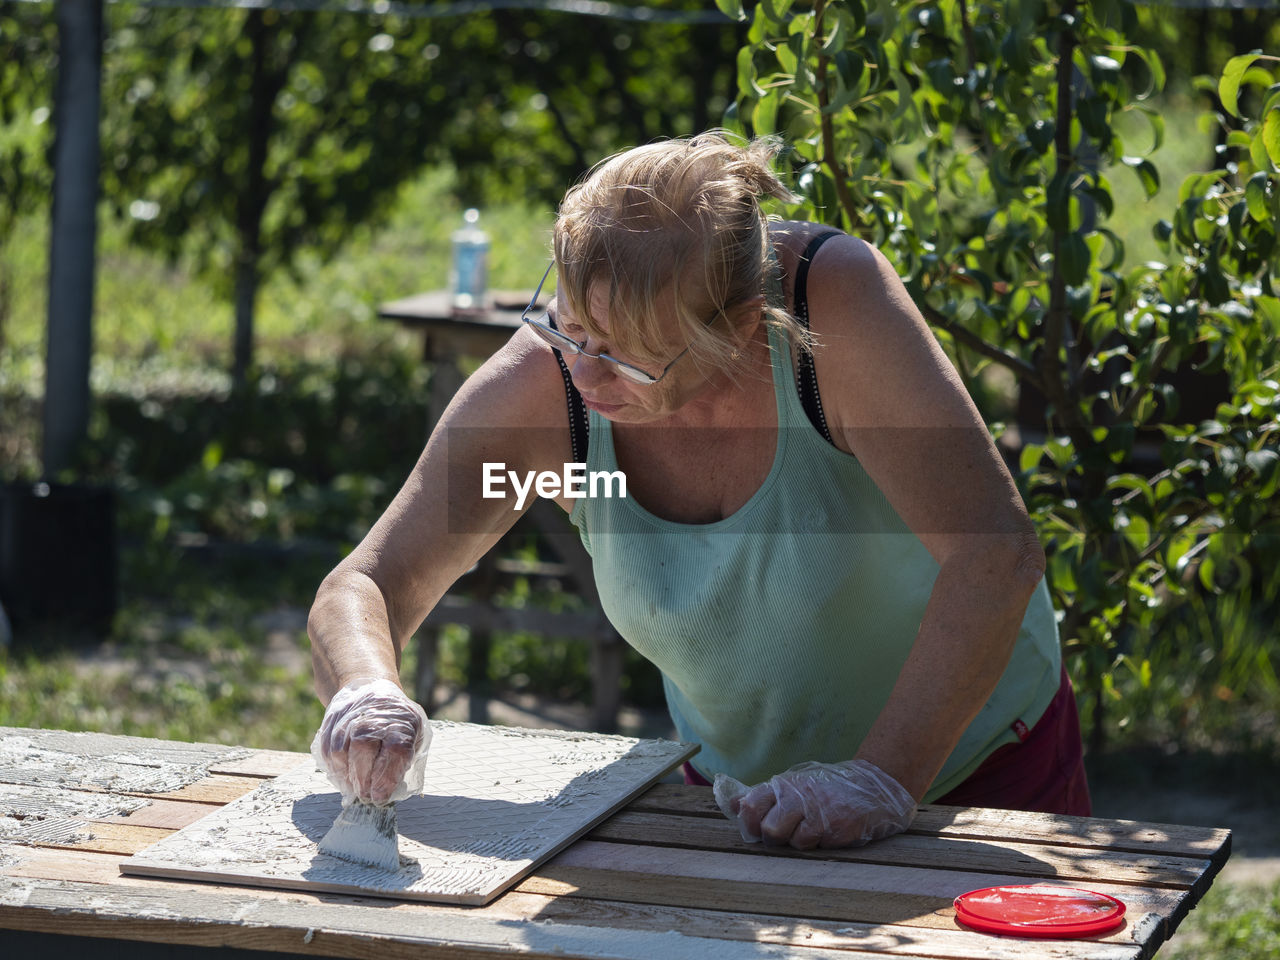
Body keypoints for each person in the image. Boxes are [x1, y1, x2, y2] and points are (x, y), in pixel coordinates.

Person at [308, 131, 1091, 850]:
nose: (582, 373)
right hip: (735, 799)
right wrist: (364, 690)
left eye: (627, 355)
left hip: (976, 777)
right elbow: (372, 581)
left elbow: (996, 561)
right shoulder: (553, 392)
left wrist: (880, 780)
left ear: (744, 327)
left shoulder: (836, 313)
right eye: (569, 325)